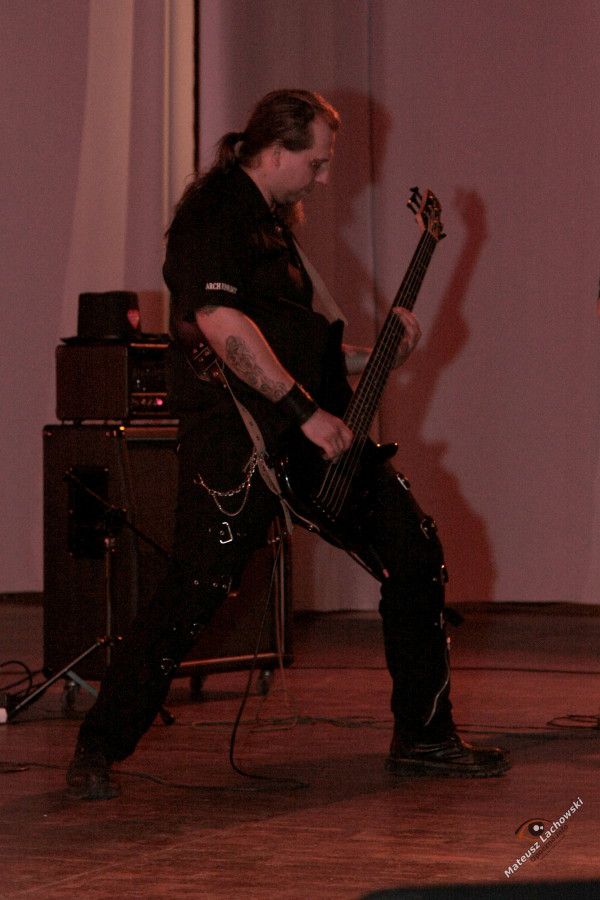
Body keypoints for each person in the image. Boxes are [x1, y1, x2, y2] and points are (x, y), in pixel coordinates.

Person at [66, 89, 509, 800]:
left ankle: (426, 739)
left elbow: (300, 348)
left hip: (307, 438)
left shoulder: (275, 231)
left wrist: (377, 355)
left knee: (413, 548)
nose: (324, 178)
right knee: (192, 594)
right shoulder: (215, 215)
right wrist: (305, 412)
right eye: (317, 163)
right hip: (237, 451)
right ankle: (97, 747)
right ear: (276, 151)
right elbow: (220, 323)